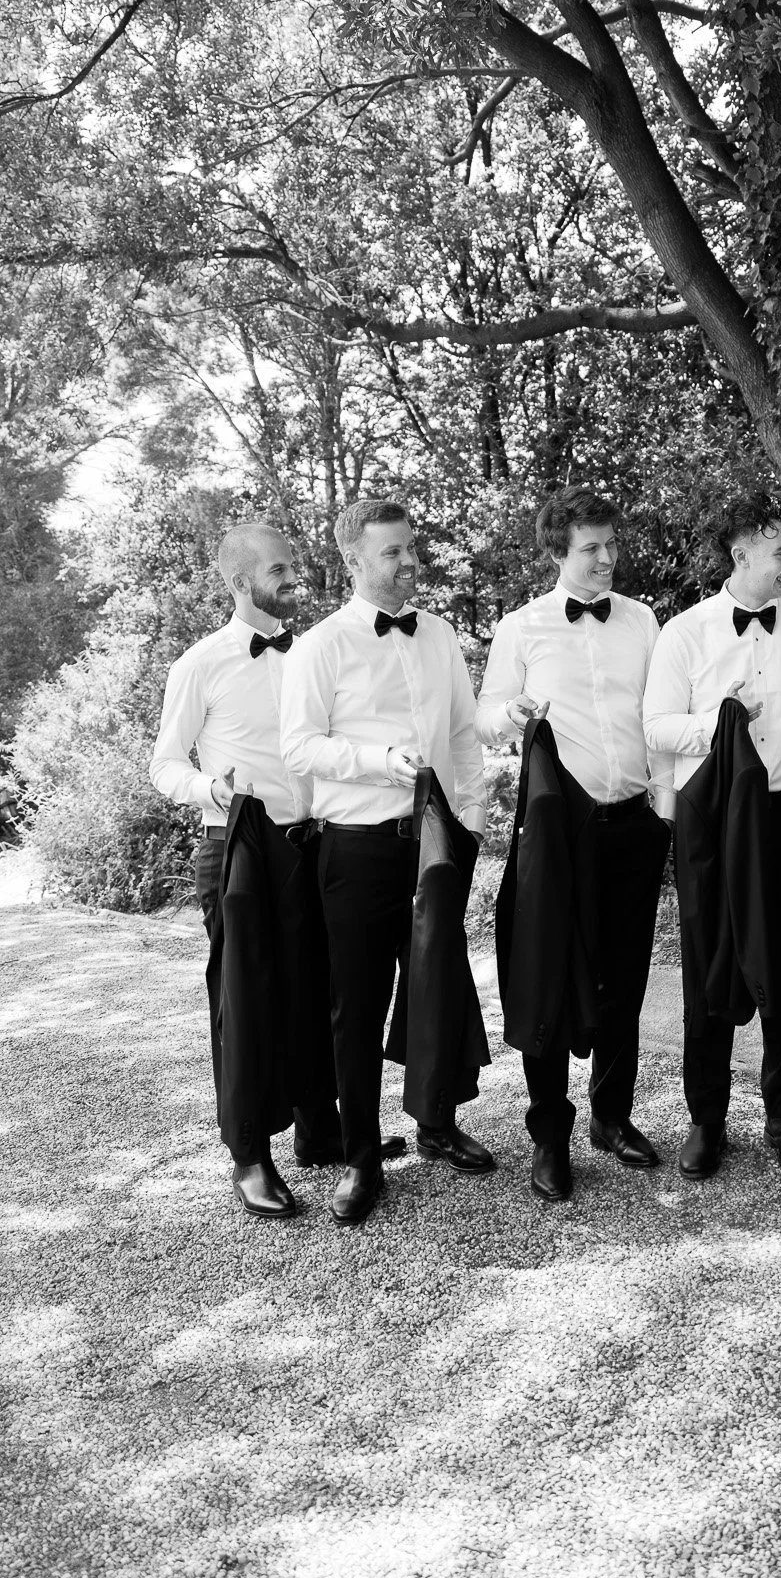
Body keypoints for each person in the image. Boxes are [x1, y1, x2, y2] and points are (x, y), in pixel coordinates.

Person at [279, 498, 491, 1226]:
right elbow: (298, 746)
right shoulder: (321, 646)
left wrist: (470, 821)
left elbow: (463, 735)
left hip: (437, 841)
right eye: (393, 552)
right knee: (357, 1008)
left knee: (437, 989)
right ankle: (364, 1158)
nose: (409, 563)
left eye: (410, 549)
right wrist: (377, 761)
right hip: (358, 847)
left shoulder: (438, 635)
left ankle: (437, 1124)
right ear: (354, 560)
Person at [476, 486, 672, 1203]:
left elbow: (660, 712)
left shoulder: (645, 621)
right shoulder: (521, 627)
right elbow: (483, 714)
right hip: (560, 832)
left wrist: (665, 799)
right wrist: (511, 712)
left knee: (624, 978)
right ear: (557, 551)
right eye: (591, 547)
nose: (607, 558)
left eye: (611, 544)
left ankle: (611, 1119)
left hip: (634, 822)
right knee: (551, 980)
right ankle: (549, 1137)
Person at [643, 490, 781, 1179]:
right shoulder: (686, 633)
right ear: (742, 554)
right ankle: (706, 1121)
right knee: (708, 968)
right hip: (711, 823)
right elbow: (658, 728)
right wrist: (720, 720)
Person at [150, 522, 339, 1219]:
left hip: (317, 842)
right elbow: (164, 763)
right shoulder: (200, 664)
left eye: (293, 567)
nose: (295, 579)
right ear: (239, 582)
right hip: (236, 843)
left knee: (323, 990)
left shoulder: (318, 652)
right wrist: (211, 789)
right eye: (281, 570)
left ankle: (322, 1132)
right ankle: (250, 1154)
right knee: (247, 1002)